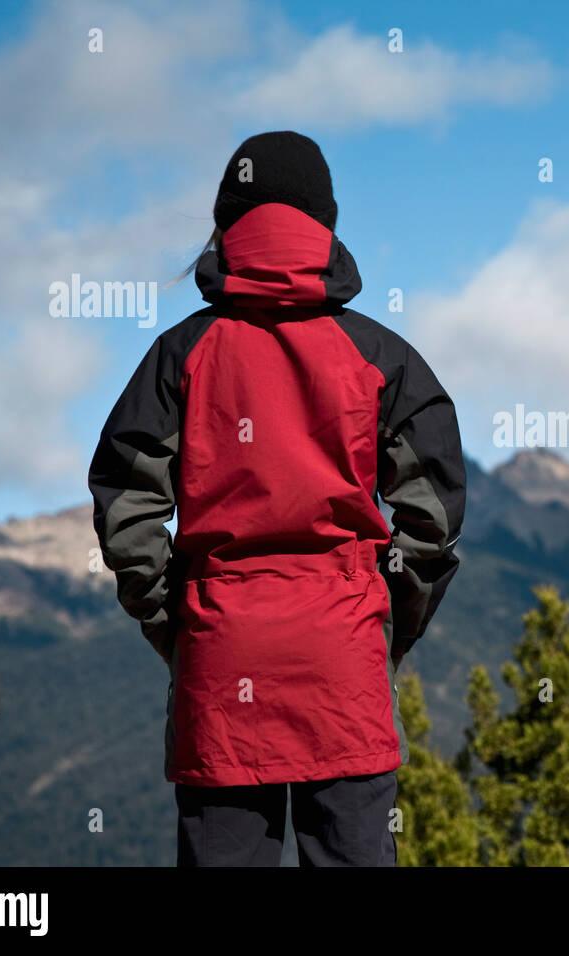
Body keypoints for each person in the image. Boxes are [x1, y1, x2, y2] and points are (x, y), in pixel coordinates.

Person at [88, 131, 465, 867]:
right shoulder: (384, 359)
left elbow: (127, 511)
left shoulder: (179, 355)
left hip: (224, 663)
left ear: (228, 226)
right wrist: (386, 624)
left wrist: (182, 624)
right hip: (344, 661)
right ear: (325, 226)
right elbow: (433, 520)